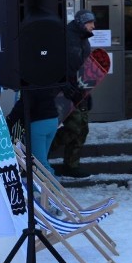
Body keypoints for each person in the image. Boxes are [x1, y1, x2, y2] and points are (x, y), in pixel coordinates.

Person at [52, 9, 95, 178]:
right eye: (90, 22)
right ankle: (36, 157)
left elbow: (85, 69)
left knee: (82, 128)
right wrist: (63, 85)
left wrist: (88, 92)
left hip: (80, 91)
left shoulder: (84, 41)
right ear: (80, 23)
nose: (93, 26)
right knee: (73, 127)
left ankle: (71, 164)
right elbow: (55, 65)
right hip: (63, 92)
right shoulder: (65, 38)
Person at [6, 86, 61, 176]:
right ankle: (39, 188)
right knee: (42, 160)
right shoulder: (44, 79)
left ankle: (53, 188)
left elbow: (25, 103)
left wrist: (10, 119)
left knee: (40, 163)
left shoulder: (29, 83)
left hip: (38, 124)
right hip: (52, 120)